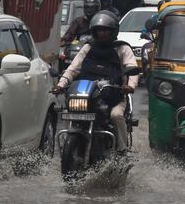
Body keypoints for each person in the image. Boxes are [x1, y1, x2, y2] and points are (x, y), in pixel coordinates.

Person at [52, 12, 138, 152]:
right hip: (87, 94)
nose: (102, 34)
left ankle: (123, 151)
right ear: (94, 31)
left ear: (113, 32)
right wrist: (61, 85)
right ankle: (68, 142)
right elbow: (73, 68)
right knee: (71, 110)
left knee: (116, 116)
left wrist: (130, 86)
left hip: (114, 96)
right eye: (99, 30)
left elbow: (131, 68)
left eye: (105, 30)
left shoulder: (122, 48)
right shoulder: (88, 47)